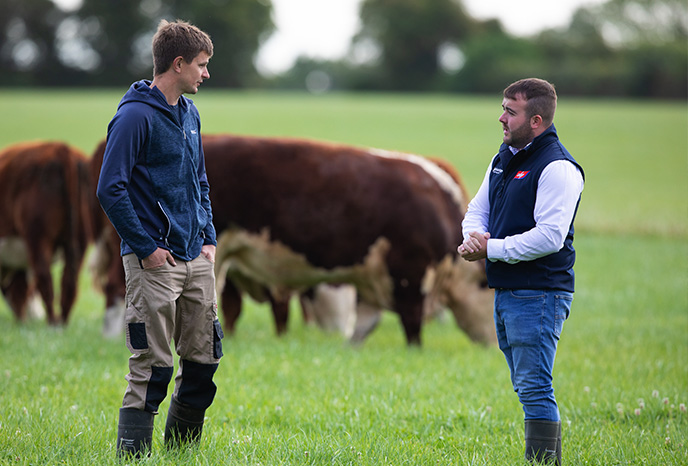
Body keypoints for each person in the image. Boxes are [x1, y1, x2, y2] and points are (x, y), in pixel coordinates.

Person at [96, 19, 223, 458]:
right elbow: (109, 187)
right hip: (154, 262)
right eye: (201, 66)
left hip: (197, 259)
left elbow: (199, 180)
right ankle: (133, 456)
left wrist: (208, 236)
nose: (206, 74)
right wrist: (146, 248)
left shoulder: (190, 113)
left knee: (204, 360)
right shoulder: (133, 116)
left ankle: (181, 453)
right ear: (178, 63)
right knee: (152, 366)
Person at [458, 78, 584, 465]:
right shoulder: (503, 159)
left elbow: (549, 237)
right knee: (526, 385)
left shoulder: (558, 168)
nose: (501, 118)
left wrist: (489, 249)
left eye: (510, 112)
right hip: (510, 288)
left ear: (537, 120)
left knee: (533, 386)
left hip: (540, 291)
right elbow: (478, 209)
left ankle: (543, 462)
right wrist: (473, 238)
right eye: (503, 108)